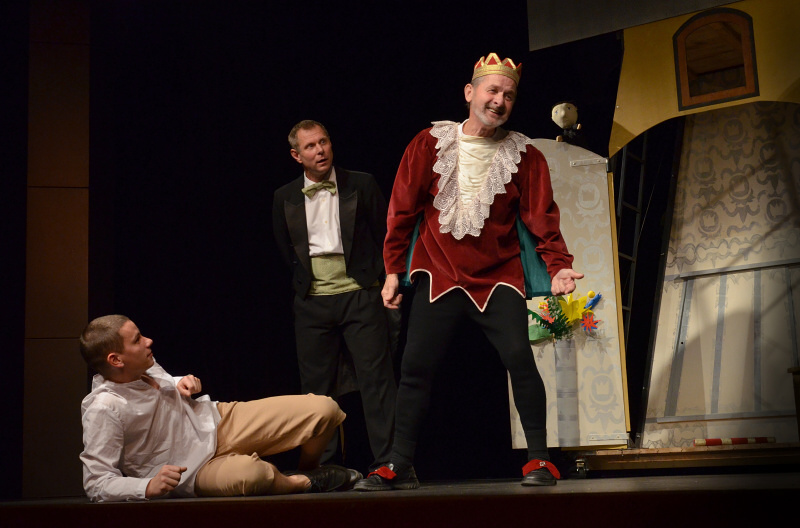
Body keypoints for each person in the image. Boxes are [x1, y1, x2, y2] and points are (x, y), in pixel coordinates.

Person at [354, 53, 584, 491]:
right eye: (492, 90)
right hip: (439, 272)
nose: (499, 101)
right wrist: (392, 271)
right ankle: (398, 464)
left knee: (519, 359)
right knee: (415, 367)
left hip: (498, 275)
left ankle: (540, 460)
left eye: (509, 95)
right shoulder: (429, 143)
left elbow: (542, 218)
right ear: (469, 92)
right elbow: (401, 211)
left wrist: (559, 267)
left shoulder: (526, 155)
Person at [79, 314, 361, 502]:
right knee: (253, 476)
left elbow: (162, 388)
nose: (148, 341)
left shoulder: (143, 364)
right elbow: (97, 482)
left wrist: (181, 381)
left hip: (215, 421)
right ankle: (301, 484)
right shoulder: (104, 408)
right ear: (116, 360)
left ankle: (311, 472)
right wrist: (146, 486)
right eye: (137, 339)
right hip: (192, 469)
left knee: (324, 409)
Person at [272, 120, 397, 474]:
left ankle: (389, 462)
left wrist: (386, 280)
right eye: (310, 146)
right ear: (297, 155)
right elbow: (285, 249)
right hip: (313, 300)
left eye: (323, 142)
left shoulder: (361, 183)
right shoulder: (284, 197)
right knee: (317, 390)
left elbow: (386, 235)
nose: (320, 151)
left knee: (377, 382)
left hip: (359, 293)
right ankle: (323, 468)